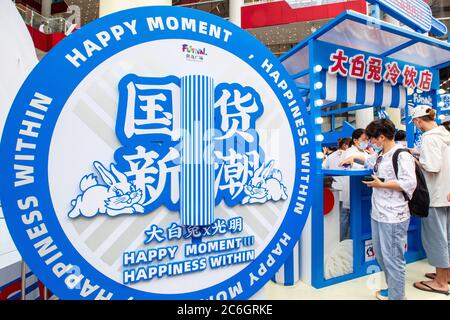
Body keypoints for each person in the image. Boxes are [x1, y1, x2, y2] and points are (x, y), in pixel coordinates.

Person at [340, 119, 417, 300]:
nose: (371, 143)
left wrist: (381, 184)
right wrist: (353, 157)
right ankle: (393, 291)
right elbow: (368, 160)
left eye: (373, 139)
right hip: (378, 213)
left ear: (382, 137)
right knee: (383, 256)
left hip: (394, 215)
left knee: (394, 259)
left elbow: (409, 183)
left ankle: (397, 297)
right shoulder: (382, 154)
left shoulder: (401, 155)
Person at [409, 105, 450, 296]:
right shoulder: (445, 135)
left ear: (418, 121)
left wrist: (413, 160)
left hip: (434, 196)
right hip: (447, 194)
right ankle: (446, 274)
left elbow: (431, 167)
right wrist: (417, 152)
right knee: (447, 237)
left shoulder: (429, 139)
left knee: (436, 238)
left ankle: (441, 282)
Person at [323, 137, 351, 241]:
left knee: (340, 218)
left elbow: (323, 168)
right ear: (345, 145)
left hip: (335, 191)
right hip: (348, 191)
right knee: (348, 218)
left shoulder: (330, 156)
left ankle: (340, 240)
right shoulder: (348, 156)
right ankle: (347, 241)